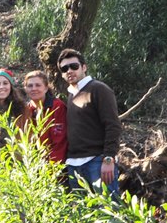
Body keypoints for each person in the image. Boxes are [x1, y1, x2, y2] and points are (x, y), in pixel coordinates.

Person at [57, 49, 123, 195]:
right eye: (64, 68)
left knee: (108, 207)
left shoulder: (98, 89)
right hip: (74, 165)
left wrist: (108, 159)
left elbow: (113, 125)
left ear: (84, 67)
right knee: (82, 208)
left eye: (74, 66)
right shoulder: (71, 94)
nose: (69, 71)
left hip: (97, 162)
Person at [23, 70, 68, 163]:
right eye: (30, 86)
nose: (34, 88)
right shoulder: (26, 110)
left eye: (38, 85)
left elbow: (60, 140)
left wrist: (53, 166)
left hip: (55, 164)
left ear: (46, 88)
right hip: (34, 164)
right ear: (25, 89)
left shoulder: (57, 106)